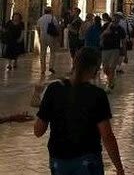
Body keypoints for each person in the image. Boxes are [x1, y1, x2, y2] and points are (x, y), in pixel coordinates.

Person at [34, 47, 125, 175]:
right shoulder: (97, 95)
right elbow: (107, 136)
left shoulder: (53, 90)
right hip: (88, 160)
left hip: (59, 160)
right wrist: (119, 168)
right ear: (94, 68)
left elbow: (38, 131)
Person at [100, 14, 126, 92]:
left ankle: (109, 85)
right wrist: (105, 32)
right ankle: (111, 79)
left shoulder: (121, 29)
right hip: (105, 49)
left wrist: (125, 54)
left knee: (112, 68)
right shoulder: (106, 26)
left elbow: (123, 42)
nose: (116, 20)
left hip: (115, 50)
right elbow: (100, 36)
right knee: (105, 68)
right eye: (114, 18)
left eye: (117, 19)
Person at [36, 7, 61, 75]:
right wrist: (58, 37)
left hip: (42, 37)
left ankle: (42, 69)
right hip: (51, 37)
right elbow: (57, 27)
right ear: (51, 11)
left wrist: (39, 36)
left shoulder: (40, 19)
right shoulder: (53, 18)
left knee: (42, 53)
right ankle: (51, 67)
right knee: (53, 52)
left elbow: (38, 28)